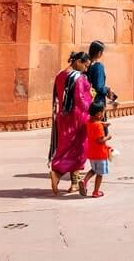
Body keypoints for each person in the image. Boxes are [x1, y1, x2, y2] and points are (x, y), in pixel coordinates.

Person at [48, 51, 93, 195]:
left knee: (66, 147)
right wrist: (93, 110)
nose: (86, 69)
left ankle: (73, 183)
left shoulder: (60, 75)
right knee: (80, 148)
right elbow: (80, 99)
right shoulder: (78, 77)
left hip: (63, 116)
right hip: (78, 117)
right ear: (78, 61)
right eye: (85, 65)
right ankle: (58, 173)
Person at [79, 102, 112, 198]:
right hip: (100, 154)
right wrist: (108, 137)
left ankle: (84, 180)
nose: (103, 114)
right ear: (98, 114)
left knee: (93, 170)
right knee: (100, 174)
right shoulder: (98, 126)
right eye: (103, 112)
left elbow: (93, 122)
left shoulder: (89, 122)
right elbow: (100, 140)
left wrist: (102, 123)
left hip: (92, 153)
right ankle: (96, 192)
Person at [86, 40, 117, 109]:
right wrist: (108, 90)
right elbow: (99, 87)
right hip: (98, 101)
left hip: (87, 99)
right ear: (99, 53)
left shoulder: (86, 65)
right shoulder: (98, 66)